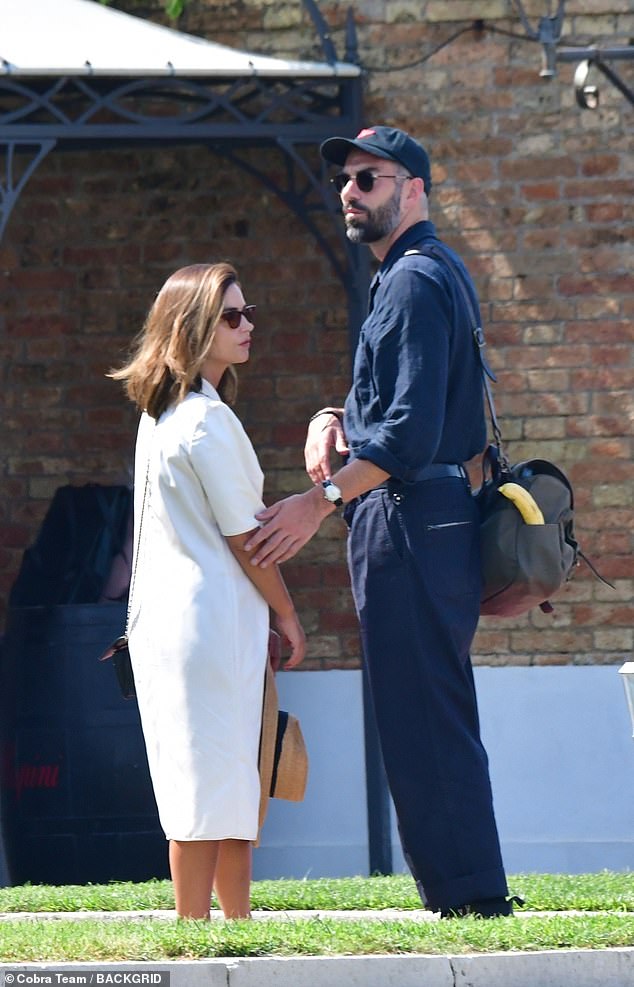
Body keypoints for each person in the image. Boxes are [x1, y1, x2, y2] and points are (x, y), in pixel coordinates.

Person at [244, 126, 519, 918]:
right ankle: (469, 884)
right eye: (346, 181)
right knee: (430, 707)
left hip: (409, 515)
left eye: (370, 178)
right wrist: (331, 414)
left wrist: (318, 503)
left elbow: (406, 436)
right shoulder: (425, 273)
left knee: (421, 714)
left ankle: (469, 897)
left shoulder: (410, 281)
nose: (350, 192)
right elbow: (393, 408)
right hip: (425, 513)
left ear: (415, 187)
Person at [110, 262, 305, 920]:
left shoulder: (158, 416)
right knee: (216, 790)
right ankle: (207, 931)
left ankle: (218, 930)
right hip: (210, 622)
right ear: (194, 327)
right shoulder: (205, 421)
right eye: (231, 316)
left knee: (210, 786)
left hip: (166, 624)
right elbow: (246, 539)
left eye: (249, 313)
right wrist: (288, 613)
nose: (247, 325)